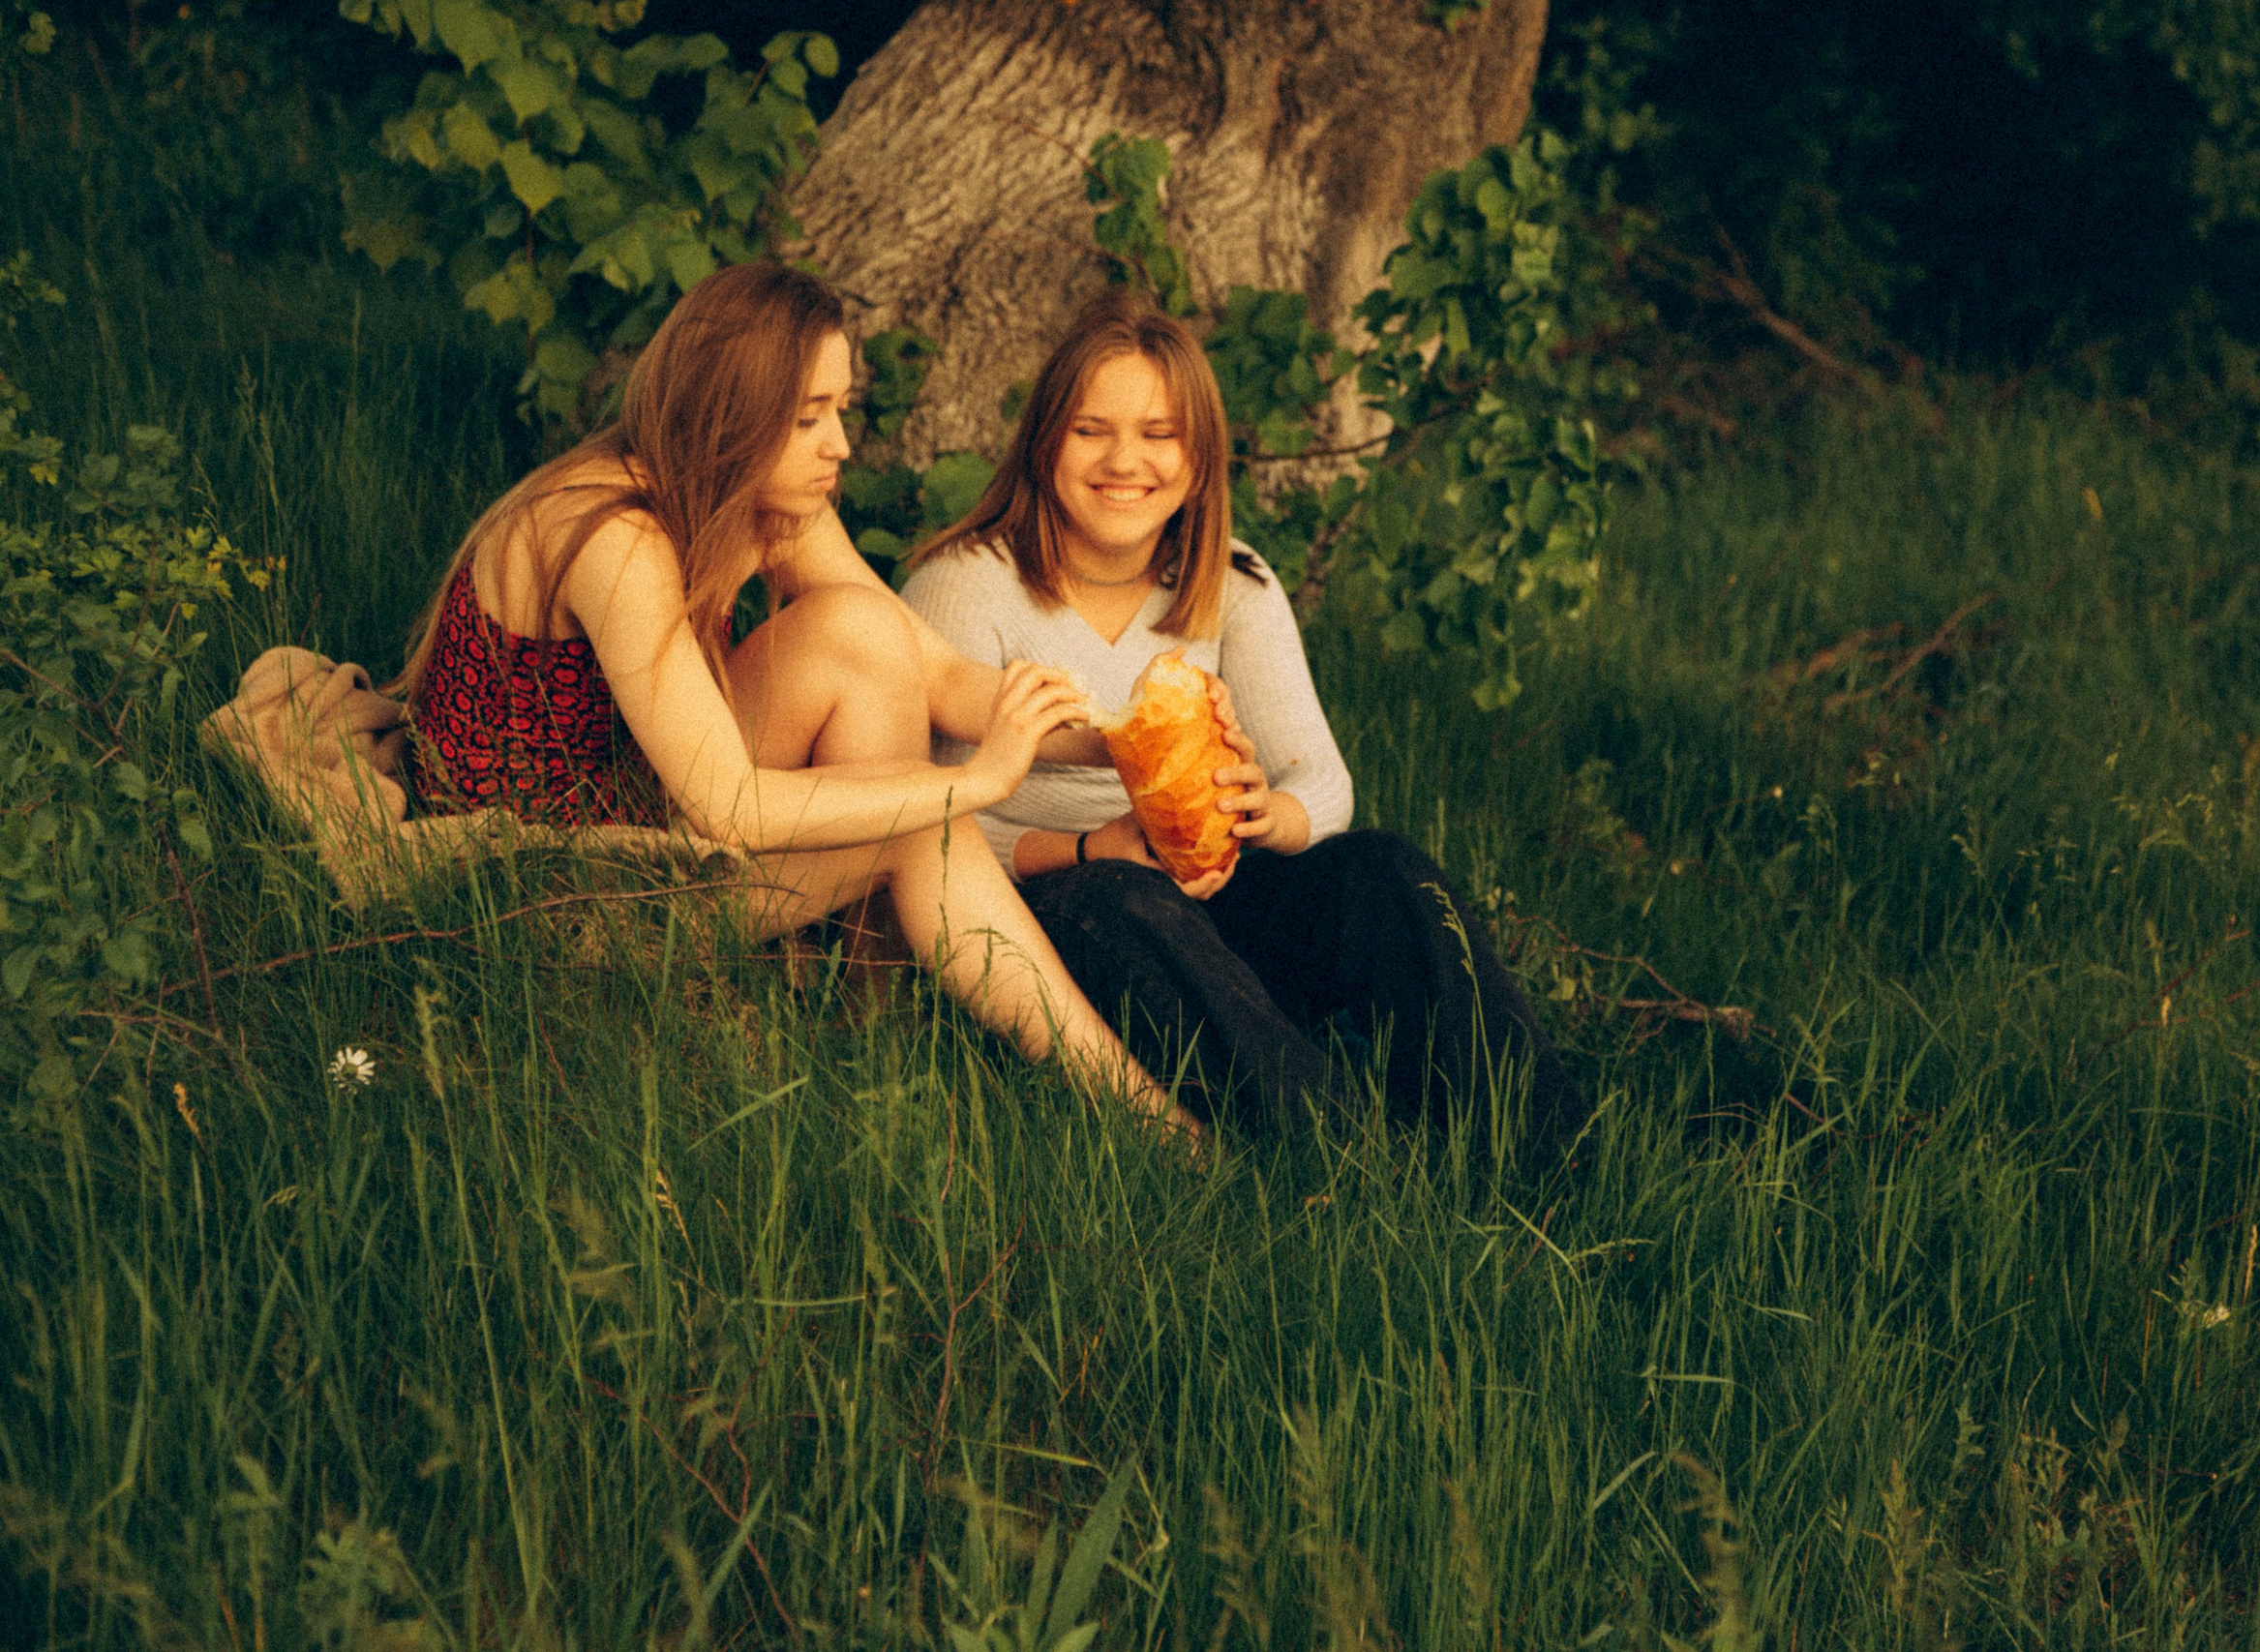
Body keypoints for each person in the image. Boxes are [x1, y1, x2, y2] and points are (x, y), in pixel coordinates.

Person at [392, 262, 1192, 1139]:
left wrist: (1120, 741)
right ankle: (1138, 1118)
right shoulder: (613, 532)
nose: (839, 444)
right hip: (547, 888)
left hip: (623, 796)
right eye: (808, 416)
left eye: (839, 409)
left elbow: (940, 676)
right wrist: (981, 780)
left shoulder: (764, 498)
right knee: (930, 821)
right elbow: (725, 805)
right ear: (727, 410)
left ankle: (868, 1016)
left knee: (863, 631)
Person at [901, 289, 1589, 1166]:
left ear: (1199, 458)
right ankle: (1344, 1164)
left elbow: (1323, 780)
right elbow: (920, 834)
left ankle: (1541, 1152)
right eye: (1090, 429)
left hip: (1205, 895)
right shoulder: (968, 583)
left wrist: (1269, 814)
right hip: (1057, 916)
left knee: (1384, 870)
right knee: (1128, 898)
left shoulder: (1231, 582)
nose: (1126, 461)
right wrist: (1090, 848)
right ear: (1044, 440)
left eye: (1159, 433)